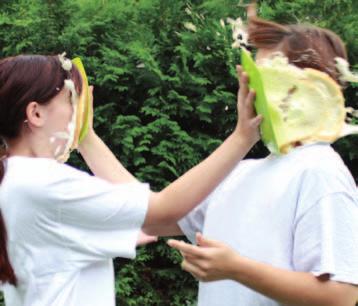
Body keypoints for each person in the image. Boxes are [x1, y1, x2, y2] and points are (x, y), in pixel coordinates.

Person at [0, 54, 260, 306]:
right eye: (70, 100)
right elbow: (162, 211)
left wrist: (86, 137)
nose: (76, 112)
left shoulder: (15, 179)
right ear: (35, 114)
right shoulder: (45, 183)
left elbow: (138, 208)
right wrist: (242, 138)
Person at [167, 5, 358, 306]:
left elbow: (341, 296)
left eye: (265, 77)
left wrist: (237, 269)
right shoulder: (239, 171)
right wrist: (86, 136)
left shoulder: (319, 170)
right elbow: (151, 216)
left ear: (306, 90)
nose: (250, 89)